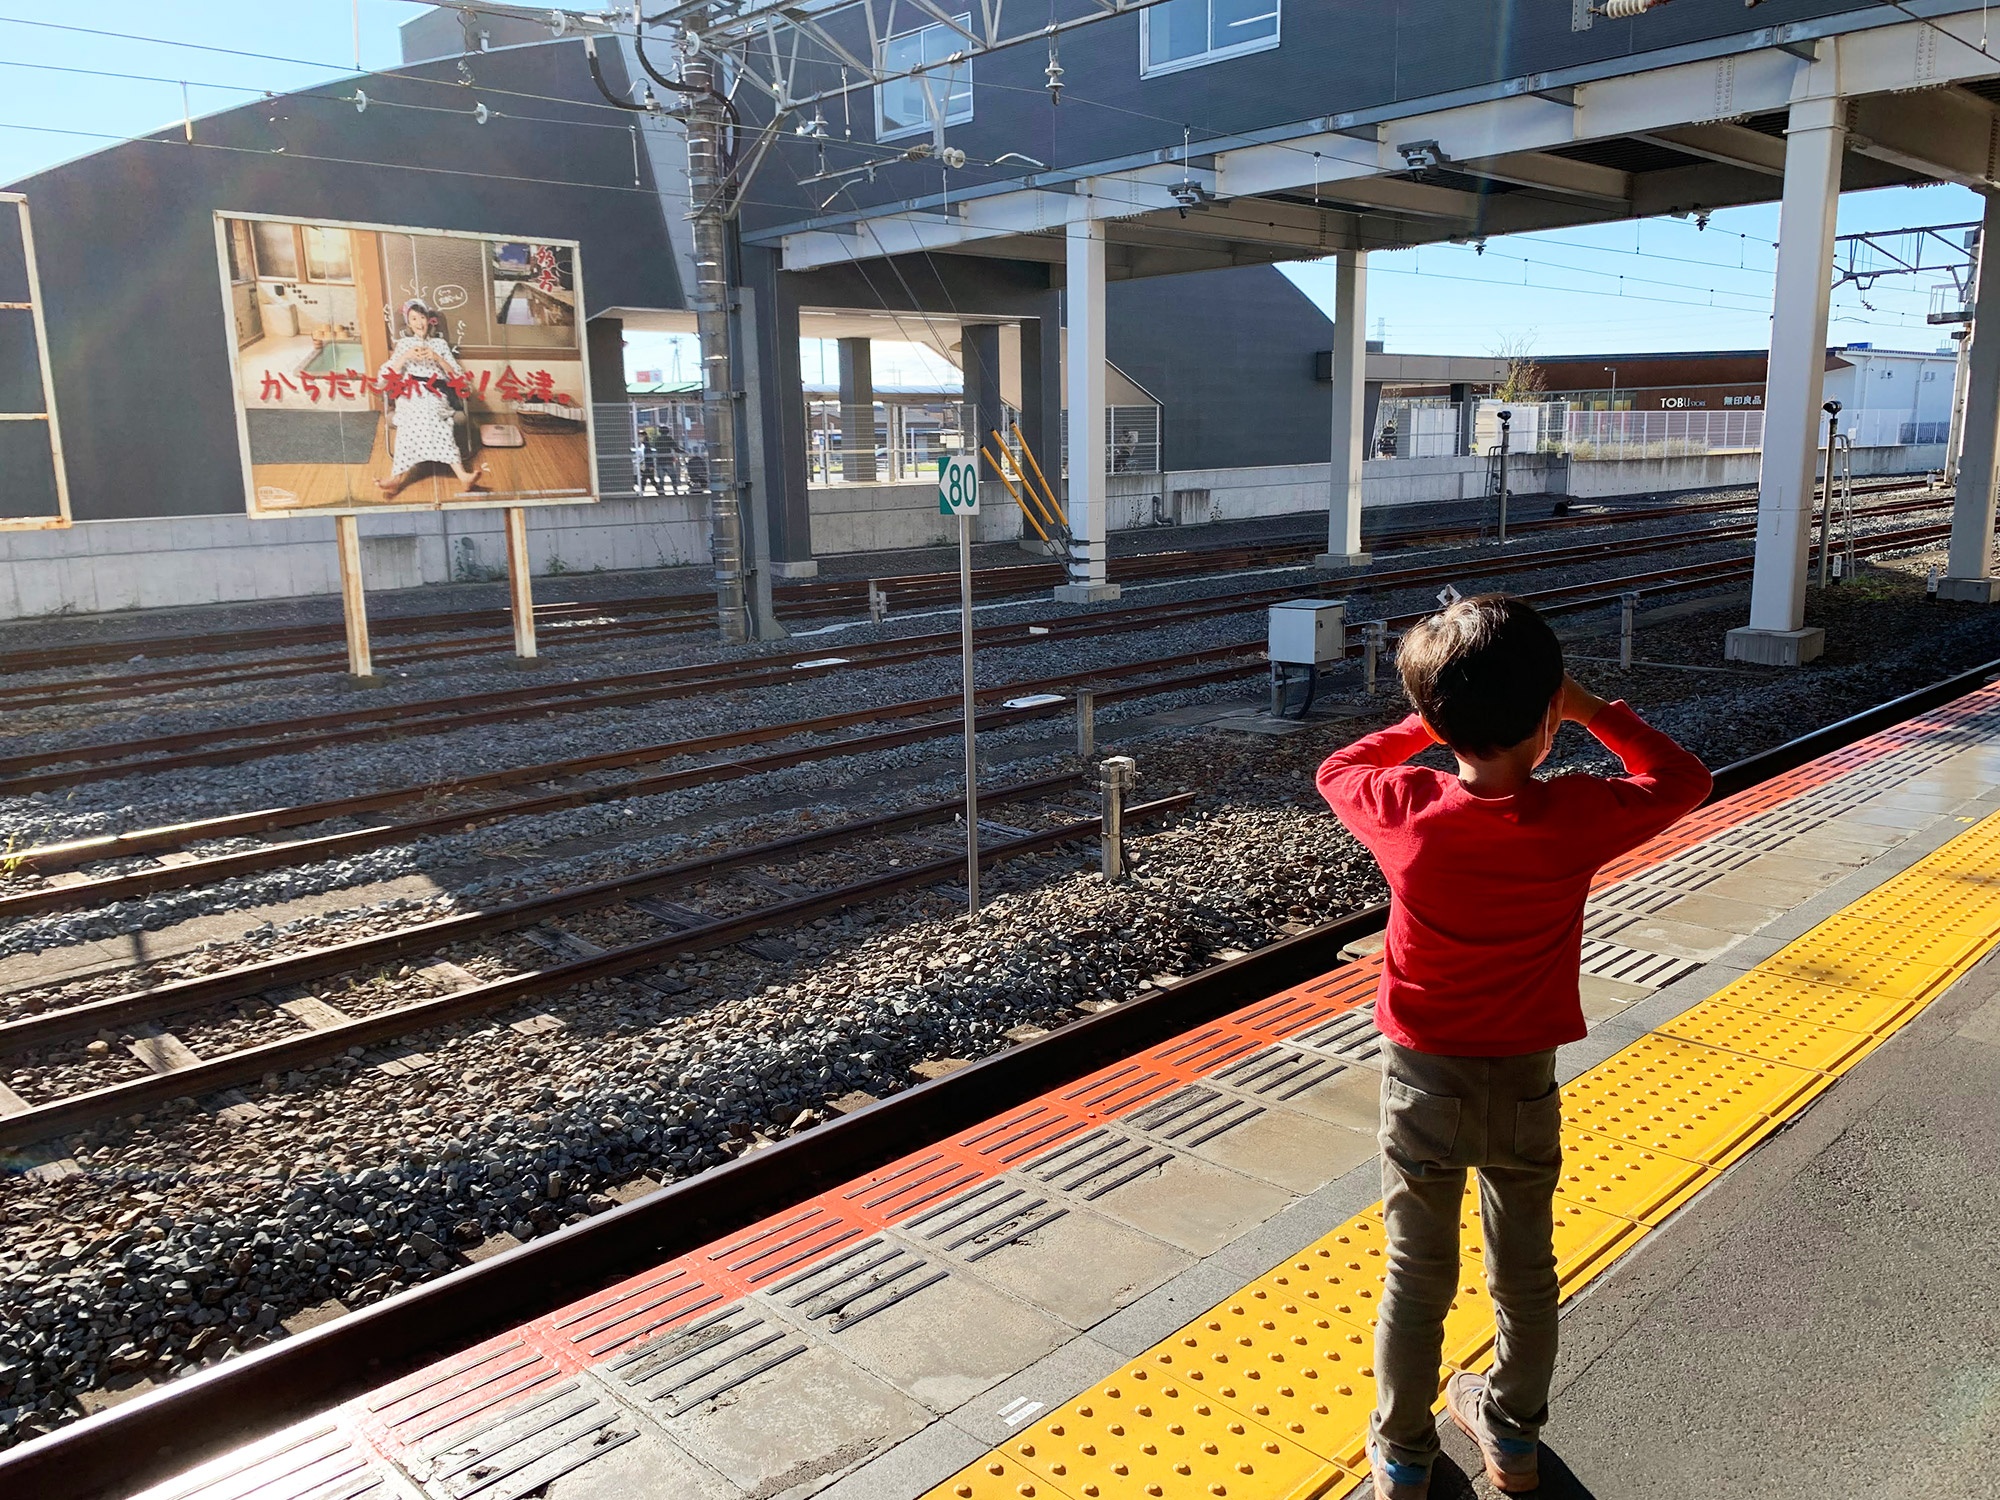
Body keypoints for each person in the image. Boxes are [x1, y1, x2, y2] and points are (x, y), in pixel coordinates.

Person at [1314, 594, 1708, 1498]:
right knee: (1525, 1269)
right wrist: (1588, 705)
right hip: (1524, 1077)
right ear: (1546, 724)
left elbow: (1339, 763)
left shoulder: (1404, 807)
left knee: (1417, 1272)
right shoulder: (1576, 815)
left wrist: (1430, 718)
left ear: (1440, 720)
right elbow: (1682, 779)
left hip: (1422, 1079)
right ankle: (1513, 1434)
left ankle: (1405, 1452)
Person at [373, 299, 489, 500]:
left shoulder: (440, 344)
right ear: (408, 323)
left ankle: (463, 476)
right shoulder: (403, 345)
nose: (419, 323)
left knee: (435, 417)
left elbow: (460, 379)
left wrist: (438, 358)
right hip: (411, 394)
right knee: (410, 418)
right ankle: (396, 478)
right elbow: (383, 378)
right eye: (414, 319)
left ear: (429, 320)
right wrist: (405, 356)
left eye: (422, 317)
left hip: (436, 392)